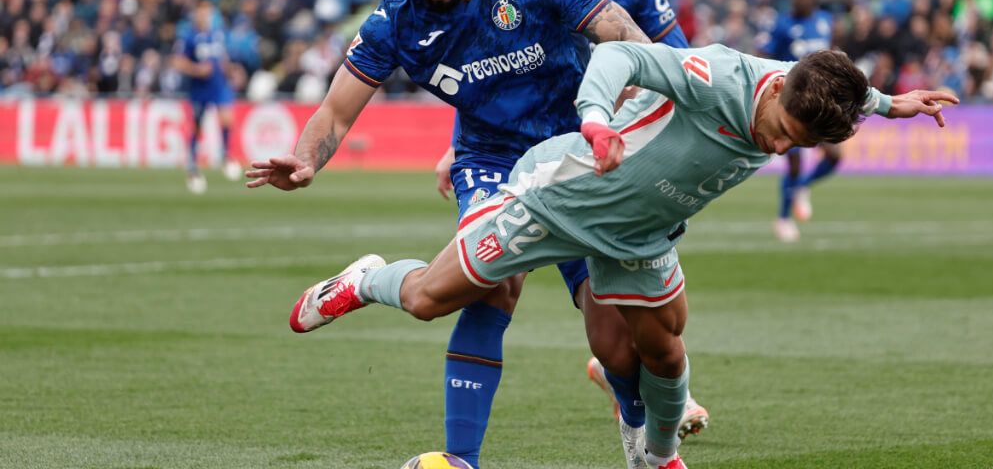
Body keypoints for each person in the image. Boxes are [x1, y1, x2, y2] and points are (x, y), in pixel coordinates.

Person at [263, 42, 957, 469]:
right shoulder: (717, 74)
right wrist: (595, 117)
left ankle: (660, 456)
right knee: (425, 300)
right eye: (780, 132)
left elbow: (851, 91)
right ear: (774, 92)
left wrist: (899, 103)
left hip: (638, 237)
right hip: (556, 197)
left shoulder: (804, 87)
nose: (778, 149)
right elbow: (621, 57)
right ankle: (364, 278)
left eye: (796, 146)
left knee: (662, 351)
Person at [244, 0, 656, 466]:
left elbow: (624, 34)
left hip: (572, 153)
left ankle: (641, 442)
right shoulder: (397, 20)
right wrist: (308, 158)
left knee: (615, 336)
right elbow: (336, 112)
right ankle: (462, 459)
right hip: (491, 159)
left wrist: (640, 105)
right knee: (491, 283)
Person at [427, 0, 705, 464]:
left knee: (629, 328)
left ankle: (633, 397)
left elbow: (678, 62)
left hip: (605, 160)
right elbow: (488, 67)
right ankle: (461, 457)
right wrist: (457, 145)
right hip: (526, 158)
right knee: (490, 283)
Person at [761, 0, 836, 242]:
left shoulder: (826, 21)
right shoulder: (782, 25)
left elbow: (833, 54)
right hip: (792, 100)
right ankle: (783, 218)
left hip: (823, 99)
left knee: (835, 156)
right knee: (793, 162)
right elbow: (766, 56)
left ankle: (801, 188)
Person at [172, 0, 242, 194]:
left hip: (219, 85)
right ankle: (193, 166)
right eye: (201, 11)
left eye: (208, 11)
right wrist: (196, 69)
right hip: (199, 88)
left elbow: (222, 58)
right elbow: (177, 62)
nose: (205, 15)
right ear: (196, 13)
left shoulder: (217, 35)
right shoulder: (188, 36)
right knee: (197, 126)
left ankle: (226, 156)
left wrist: (230, 70)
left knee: (227, 118)